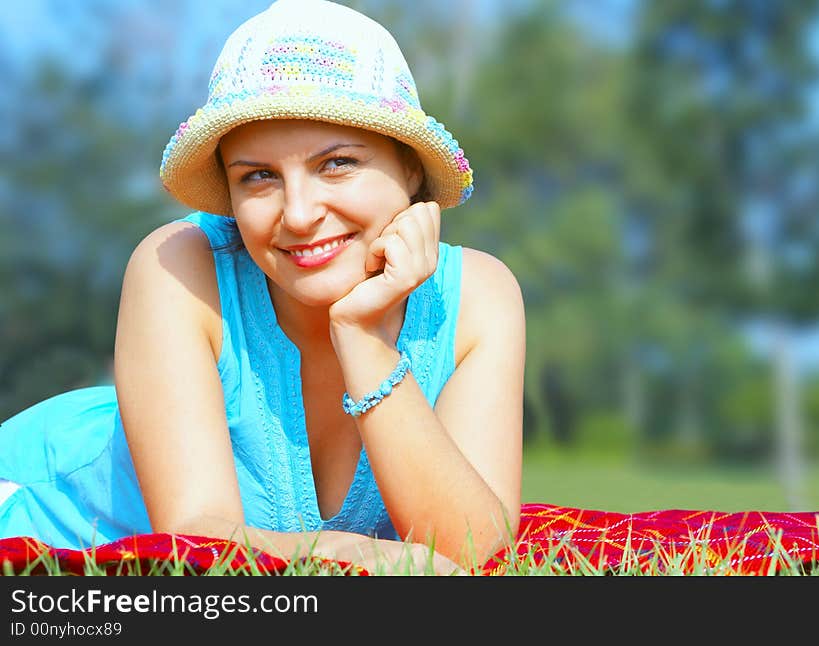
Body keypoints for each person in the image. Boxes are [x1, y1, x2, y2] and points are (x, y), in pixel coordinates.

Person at [0, 0, 525, 575]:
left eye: (337, 163)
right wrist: (350, 554)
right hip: (41, 510)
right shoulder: (176, 267)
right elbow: (196, 540)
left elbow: (478, 554)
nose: (298, 214)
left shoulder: (477, 297)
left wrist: (364, 339)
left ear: (411, 171)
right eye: (258, 176)